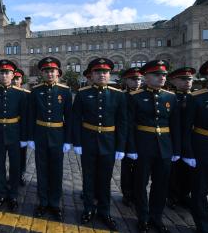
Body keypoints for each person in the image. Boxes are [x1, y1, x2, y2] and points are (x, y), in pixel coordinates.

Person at [72, 58, 127, 231]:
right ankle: (88, 209)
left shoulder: (118, 95)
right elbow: (75, 120)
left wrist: (120, 146)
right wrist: (78, 142)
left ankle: (105, 211)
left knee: (105, 178)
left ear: (109, 74)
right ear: (92, 75)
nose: (101, 75)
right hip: (88, 141)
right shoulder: (82, 93)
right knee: (88, 178)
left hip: (109, 143)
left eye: (105, 72)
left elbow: (123, 122)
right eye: (97, 72)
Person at [127, 60, 181, 233]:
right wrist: (132, 148)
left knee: (161, 184)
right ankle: (142, 217)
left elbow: (176, 126)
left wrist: (176, 150)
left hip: (164, 147)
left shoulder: (170, 97)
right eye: (157, 75)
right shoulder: (135, 97)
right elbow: (129, 125)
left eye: (164, 75)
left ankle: (156, 217)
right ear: (146, 77)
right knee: (140, 183)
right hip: (143, 146)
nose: (162, 78)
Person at [28, 56, 72, 221]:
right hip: (40, 135)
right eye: (46, 71)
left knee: (56, 171)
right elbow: (31, 115)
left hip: (58, 135)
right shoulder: (36, 91)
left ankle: (55, 203)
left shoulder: (65, 91)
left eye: (52, 71)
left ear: (58, 73)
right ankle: (43, 202)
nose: (49, 73)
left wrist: (68, 140)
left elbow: (69, 117)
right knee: (41, 170)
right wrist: (31, 137)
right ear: (42, 73)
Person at [0, 60, 27, 212]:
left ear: (12, 75)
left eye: (7, 73)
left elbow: (25, 117)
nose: (4, 75)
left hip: (15, 133)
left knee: (15, 166)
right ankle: (2, 193)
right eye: (2, 73)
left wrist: (24, 137)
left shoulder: (20, 94)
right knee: (0, 166)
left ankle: (13, 195)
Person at [185, 59, 208, 233]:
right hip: (204, 149)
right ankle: (203, 226)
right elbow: (186, 128)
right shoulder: (197, 98)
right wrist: (189, 152)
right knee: (200, 191)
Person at [167, 67, 196, 209]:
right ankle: (172, 196)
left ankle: (185, 195)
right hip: (173, 139)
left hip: (192, 140)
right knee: (174, 170)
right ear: (174, 81)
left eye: (189, 79)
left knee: (189, 170)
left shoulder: (196, 97)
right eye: (183, 79)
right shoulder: (171, 97)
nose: (187, 82)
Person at [120, 67, 143, 206]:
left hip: (143, 137)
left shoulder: (145, 95)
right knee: (127, 168)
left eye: (139, 79)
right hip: (127, 136)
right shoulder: (122, 96)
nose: (137, 82)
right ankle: (127, 194)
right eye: (133, 80)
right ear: (126, 80)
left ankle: (138, 193)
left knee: (141, 168)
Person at [12, 68, 30, 186]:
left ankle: (21, 173)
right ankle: (13, 175)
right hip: (11, 129)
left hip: (22, 129)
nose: (14, 81)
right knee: (12, 155)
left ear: (21, 80)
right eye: (13, 78)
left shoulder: (27, 94)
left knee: (22, 154)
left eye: (17, 79)